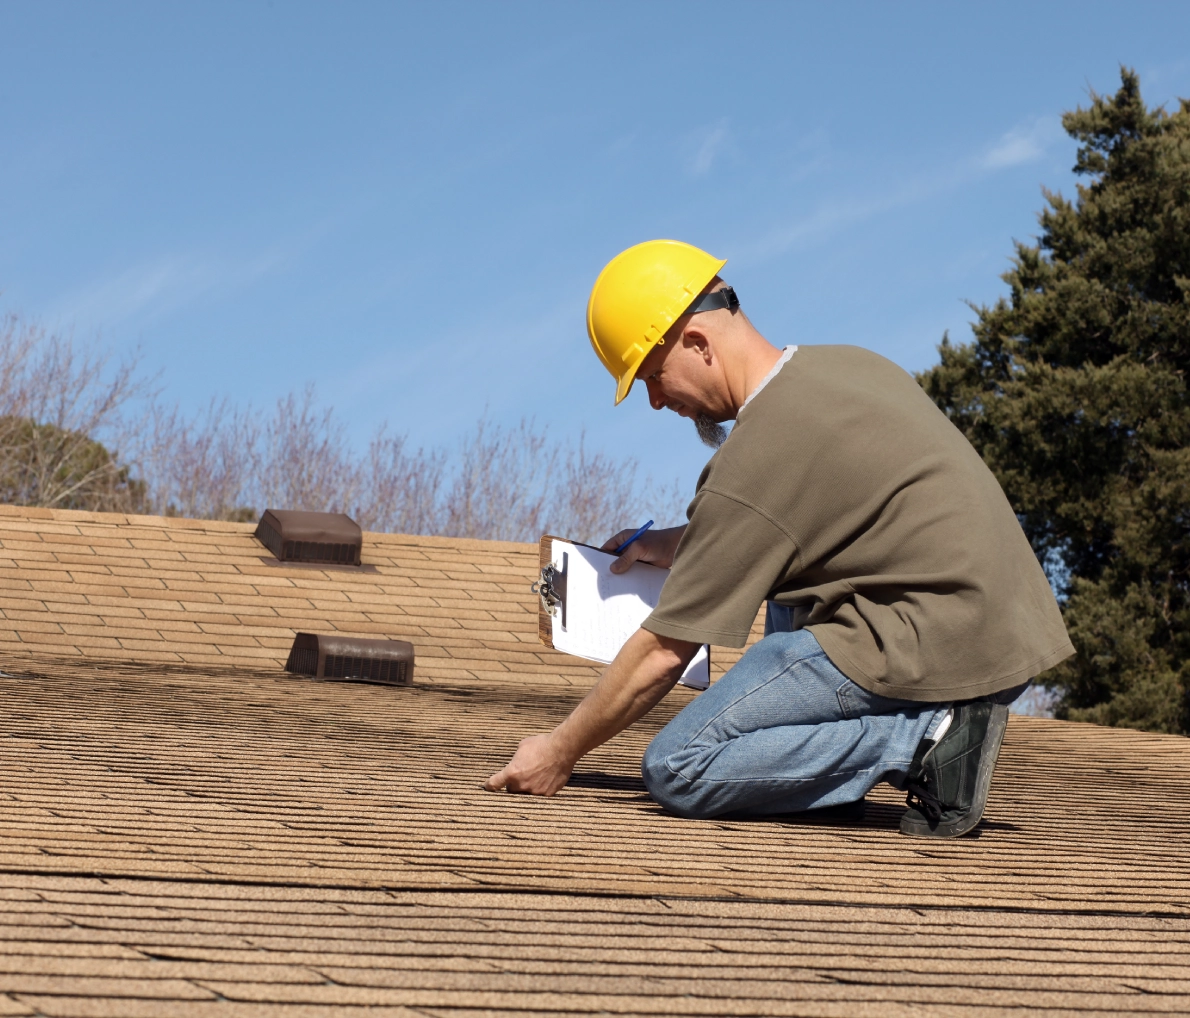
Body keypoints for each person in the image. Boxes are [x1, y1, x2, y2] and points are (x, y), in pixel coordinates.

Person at [484, 239, 1073, 838]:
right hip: (997, 630)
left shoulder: (756, 456)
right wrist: (674, 542)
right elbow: (794, 517)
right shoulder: (845, 367)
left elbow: (664, 651)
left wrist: (560, 749)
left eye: (652, 377)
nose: (658, 402)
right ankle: (827, 782)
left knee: (677, 766)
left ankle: (926, 740)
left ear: (697, 343)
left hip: (933, 644)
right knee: (786, 587)